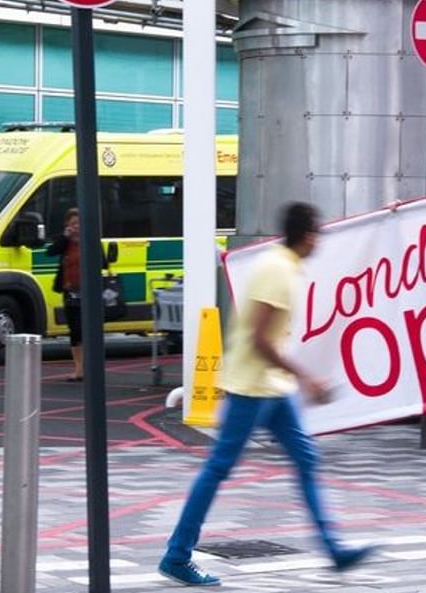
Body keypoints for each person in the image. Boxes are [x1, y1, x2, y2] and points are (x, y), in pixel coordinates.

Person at [158, 202, 375, 587]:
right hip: (252, 388)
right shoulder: (276, 270)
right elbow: (259, 337)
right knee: (218, 469)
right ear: (307, 234)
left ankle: (334, 548)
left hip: (273, 387)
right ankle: (177, 555)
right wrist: (307, 378)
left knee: (306, 459)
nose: (320, 239)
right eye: (318, 232)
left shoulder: (285, 265)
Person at [47, 208, 84, 381]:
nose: (75, 227)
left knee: (88, 330)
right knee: (75, 330)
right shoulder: (65, 243)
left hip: (88, 291)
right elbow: (50, 252)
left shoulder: (89, 239)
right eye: (71, 224)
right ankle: (79, 368)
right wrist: (64, 236)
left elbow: (102, 261)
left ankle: (89, 366)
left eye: (77, 223)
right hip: (70, 290)